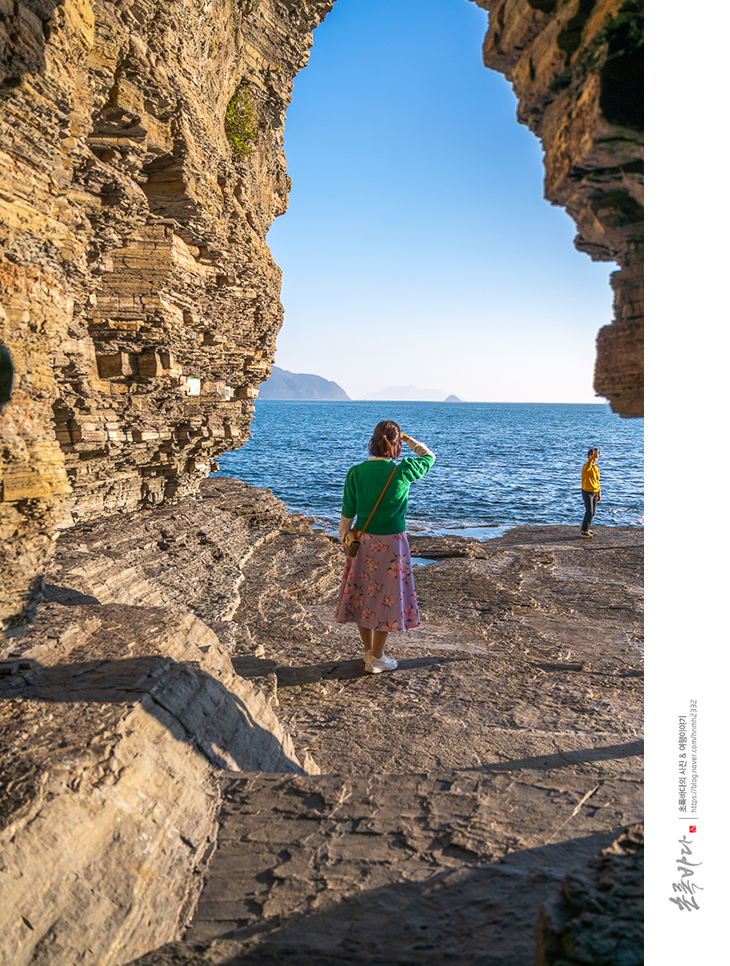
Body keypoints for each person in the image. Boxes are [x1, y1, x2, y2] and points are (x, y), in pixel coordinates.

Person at [335, 420, 435, 673]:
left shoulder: (356, 472)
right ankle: (377, 657)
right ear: (396, 444)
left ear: (373, 442)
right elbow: (429, 457)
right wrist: (410, 440)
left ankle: (369, 653)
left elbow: (347, 515)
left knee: (363, 595)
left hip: (364, 541)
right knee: (386, 599)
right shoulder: (403, 471)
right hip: (392, 545)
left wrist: (346, 539)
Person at [580, 447, 601, 537]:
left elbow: (597, 481)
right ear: (589, 456)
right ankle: (584, 531)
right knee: (589, 511)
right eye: (593, 456)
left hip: (595, 491)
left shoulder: (596, 468)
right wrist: (593, 455)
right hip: (587, 491)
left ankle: (587, 528)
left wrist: (599, 493)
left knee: (593, 512)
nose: (595, 458)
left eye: (597, 456)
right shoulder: (586, 466)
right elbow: (589, 463)